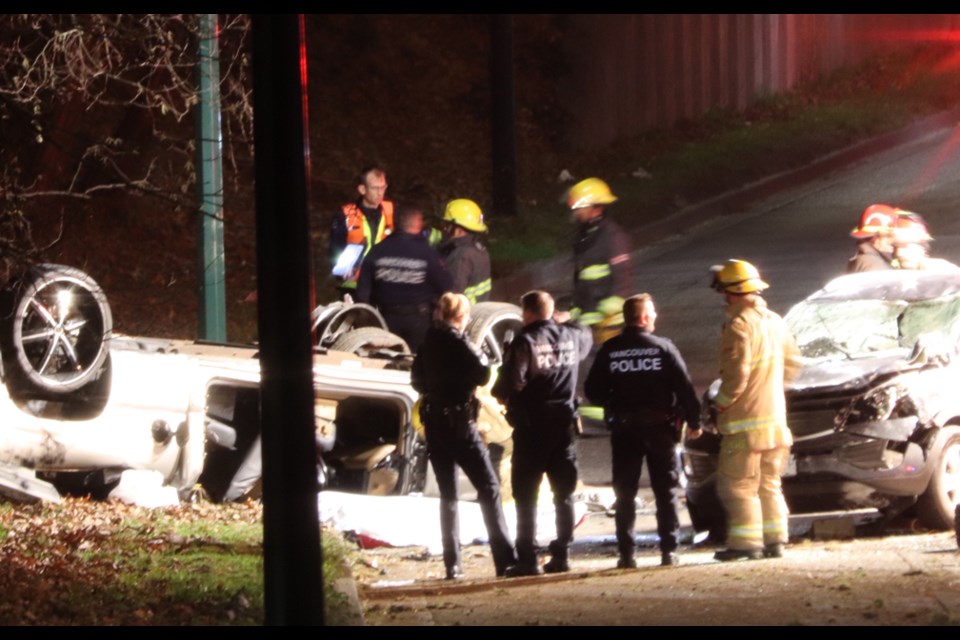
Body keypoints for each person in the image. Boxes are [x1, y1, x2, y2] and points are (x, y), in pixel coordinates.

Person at [583, 294, 702, 569]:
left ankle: (626, 554)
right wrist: (694, 421)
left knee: (624, 493)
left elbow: (593, 391)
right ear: (644, 318)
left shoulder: (610, 350)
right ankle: (669, 551)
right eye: (653, 313)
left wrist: (615, 400)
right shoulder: (663, 348)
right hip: (660, 428)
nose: (656, 317)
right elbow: (684, 387)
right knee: (665, 491)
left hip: (625, 429)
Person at [411, 292, 518, 579]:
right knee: (489, 488)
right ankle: (505, 559)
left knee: (449, 495)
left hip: (434, 422)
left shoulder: (428, 341)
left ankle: (453, 564)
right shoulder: (460, 343)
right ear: (462, 318)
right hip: (460, 423)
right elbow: (483, 375)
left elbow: (416, 380)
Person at [491, 290, 593, 576]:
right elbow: (585, 332)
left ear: (527, 313)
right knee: (564, 494)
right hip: (563, 426)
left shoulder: (525, 342)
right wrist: (562, 321)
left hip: (532, 427)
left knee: (526, 495)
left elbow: (507, 386)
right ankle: (562, 554)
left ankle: (528, 559)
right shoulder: (572, 336)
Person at [708, 259, 802, 562]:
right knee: (769, 484)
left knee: (738, 487)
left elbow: (736, 378)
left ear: (730, 293)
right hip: (776, 423)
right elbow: (793, 366)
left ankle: (746, 544)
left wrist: (718, 404)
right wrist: (771, 389)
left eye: (723, 291)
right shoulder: (775, 320)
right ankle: (776, 541)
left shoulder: (738, 326)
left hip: (744, 427)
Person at [566, 177, 633, 428]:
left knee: (608, 367)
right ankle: (599, 414)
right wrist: (576, 310)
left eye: (579, 208)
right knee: (590, 366)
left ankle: (613, 413)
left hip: (607, 319)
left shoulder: (612, 236)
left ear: (594, 207)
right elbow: (582, 278)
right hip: (588, 315)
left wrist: (609, 314)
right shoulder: (585, 235)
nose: (577, 213)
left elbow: (621, 276)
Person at [355, 206, 453, 352]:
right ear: (416, 224)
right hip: (419, 321)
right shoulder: (427, 253)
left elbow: (363, 292)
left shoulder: (377, 250)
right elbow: (446, 285)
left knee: (387, 362)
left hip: (385, 320)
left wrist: (366, 321)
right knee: (416, 362)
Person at [329, 165, 395, 298]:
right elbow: (334, 251)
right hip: (353, 285)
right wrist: (341, 270)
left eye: (383, 187)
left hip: (383, 283)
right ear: (362, 189)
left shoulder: (391, 210)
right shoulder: (345, 215)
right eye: (375, 188)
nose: (380, 193)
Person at [438, 199, 492, 304]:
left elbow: (452, 298)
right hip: (477, 311)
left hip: (462, 315)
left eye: (448, 225)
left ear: (459, 229)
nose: (444, 228)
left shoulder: (461, 257)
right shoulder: (479, 248)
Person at [889, 211, 960, 272]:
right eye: (896, 247)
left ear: (923, 246)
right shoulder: (891, 273)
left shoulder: (942, 271)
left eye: (906, 246)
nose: (899, 253)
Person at [847, 203, 896, 273]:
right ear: (875, 239)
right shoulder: (876, 268)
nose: (895, 242)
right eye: (890, 236)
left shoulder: (864, 258)